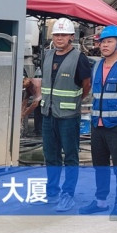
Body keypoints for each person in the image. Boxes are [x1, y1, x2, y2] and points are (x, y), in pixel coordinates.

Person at [80, 25, 117, 219]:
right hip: (97, 125)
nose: (104, 45)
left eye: (109, 41)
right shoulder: (96, 66)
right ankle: (100, 201)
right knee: (100, 165)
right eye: (102, 42)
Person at [38, 17, 92, 212]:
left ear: (71, 37)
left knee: (70, 156)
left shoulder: (79, 58)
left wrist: (75, 101)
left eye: (63, 35)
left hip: (68, 116)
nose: (59, 38)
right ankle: (52, 193)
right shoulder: (47, 55)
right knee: (51, 156)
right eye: (56, 35)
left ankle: (68, 194)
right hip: (48, 114)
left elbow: (86, 85)